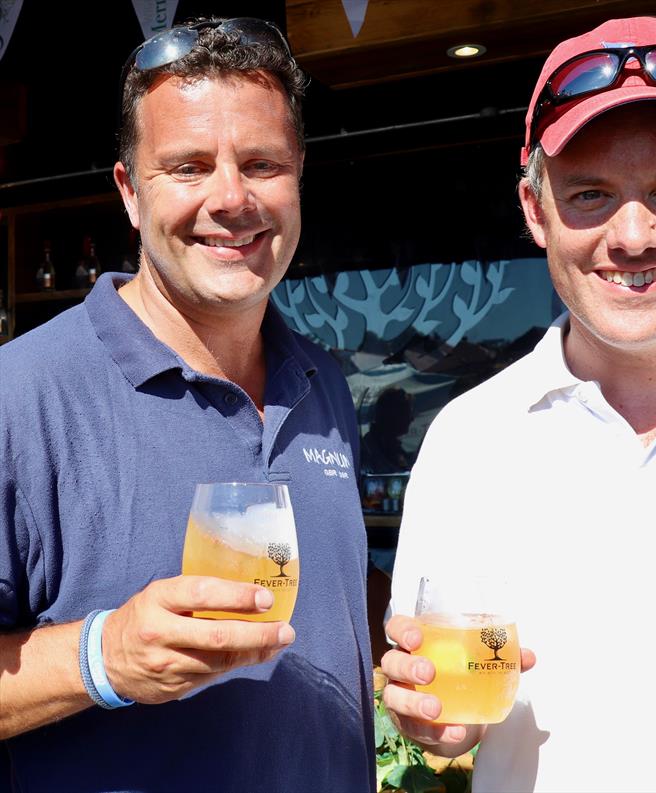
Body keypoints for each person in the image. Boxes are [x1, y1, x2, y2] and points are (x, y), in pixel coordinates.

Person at [382, 16, 656, 793]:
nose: (632, 235)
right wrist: (437, 718)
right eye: (590, 195)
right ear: (536, 211)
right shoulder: (469, 440)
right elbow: (449, 708)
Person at [0, 18, 375, 791]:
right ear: (130, 192)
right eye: (188, 167)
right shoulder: (22, 393)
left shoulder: (323, 383)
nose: (231, 198)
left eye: (262, 163)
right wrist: (103, 655)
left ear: (298, 175)